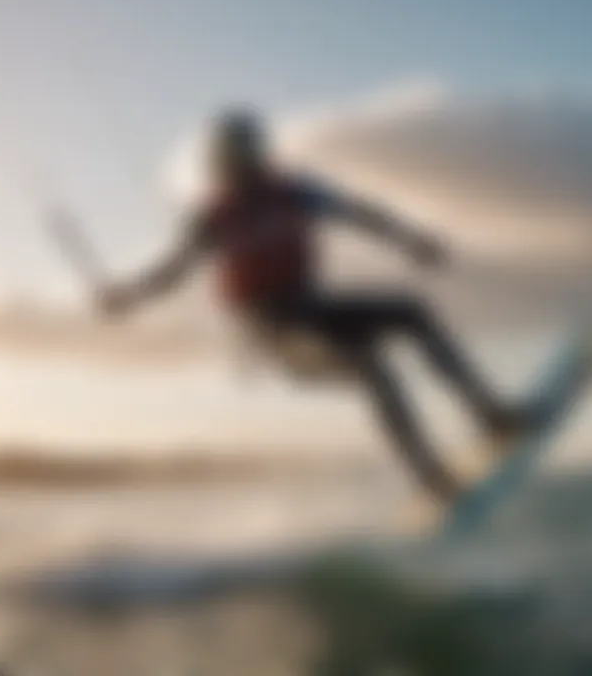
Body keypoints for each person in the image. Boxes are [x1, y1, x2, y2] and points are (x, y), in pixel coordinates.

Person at [97, 108, 540, 502]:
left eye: (252, 153)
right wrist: (127, 297)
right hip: (273, 336)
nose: (247, 165)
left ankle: (491, 415)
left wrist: (412, 241)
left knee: (412, 312)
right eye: (238, 157)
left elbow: (360, 213)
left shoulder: (296, 192)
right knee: (371, 366)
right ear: (222, 163)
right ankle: (428, 476)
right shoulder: (213, 217)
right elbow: (171, 272)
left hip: (313, 311)